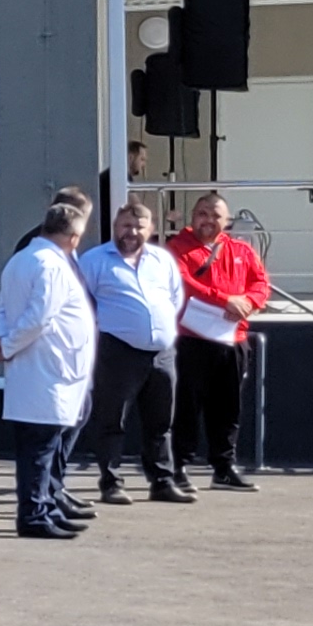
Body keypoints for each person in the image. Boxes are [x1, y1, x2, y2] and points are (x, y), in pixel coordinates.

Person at [0, 199, 97, 540]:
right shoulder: (50, 265)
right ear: (73, 237)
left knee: (41, 449)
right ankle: (34, 515)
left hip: (40, 370)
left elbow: (2, 310)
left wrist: (1, 341)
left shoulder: (20, 260)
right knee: (40, 450)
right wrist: (7, 345)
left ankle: (46, 507)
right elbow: (39, 318)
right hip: (47, 371)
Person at [77, 196, 193, 505]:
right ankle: (111, 483)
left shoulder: (162, 259)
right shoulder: (94, 260)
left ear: (150, 229)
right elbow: (81, 303)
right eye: (126, 225)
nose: (132, 232)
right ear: (115, 227)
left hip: (162, 353)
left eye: (139, 226)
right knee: (112, 420)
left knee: (161, 423)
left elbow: (175, 298)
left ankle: (162, 481)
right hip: (118, 351)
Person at [168, 188, 273, 490]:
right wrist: (225, 299)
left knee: (228, 408)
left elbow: (261, 283)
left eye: (215, 215)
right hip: (191, 338)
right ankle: (178, 467)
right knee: (186, 406)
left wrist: (248, 302)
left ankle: (223, 468)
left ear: (227, 221)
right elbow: (183, 284)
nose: (208, 220)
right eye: (202, 214)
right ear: (192, 217)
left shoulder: (241, 250)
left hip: (233, 339)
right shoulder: (177, 248)